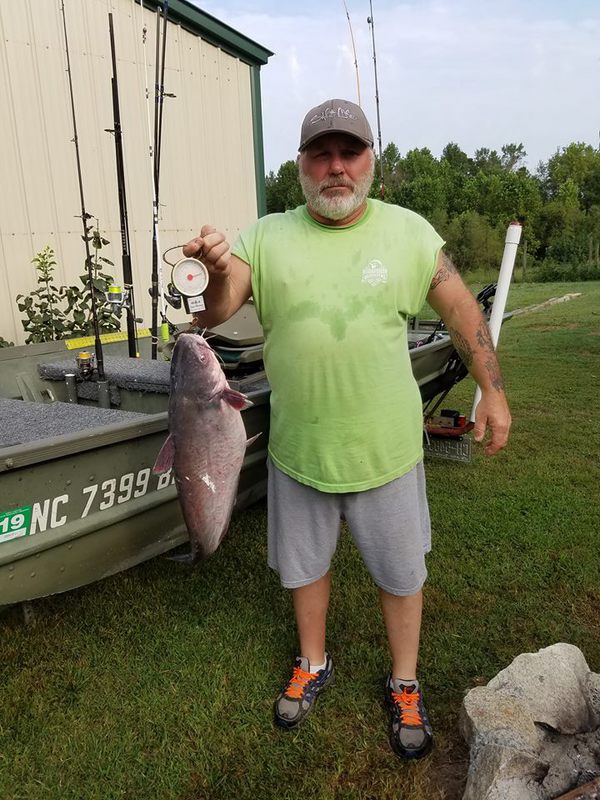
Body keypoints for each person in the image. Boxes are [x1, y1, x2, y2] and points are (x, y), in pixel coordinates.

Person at [183, 99, 511, 760]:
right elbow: (216, 311)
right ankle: (313, 662)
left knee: (400, 573)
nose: (335, 167)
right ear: (301, 164)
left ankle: (405, 680)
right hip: (298, 451)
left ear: (369, 160)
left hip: (386, 451)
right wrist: (217, 274)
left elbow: (458, 310)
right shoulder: (265, 236)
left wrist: (494, 392)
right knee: (305, 569)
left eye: (349, 152)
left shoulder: (409, 233)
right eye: (320, 153)